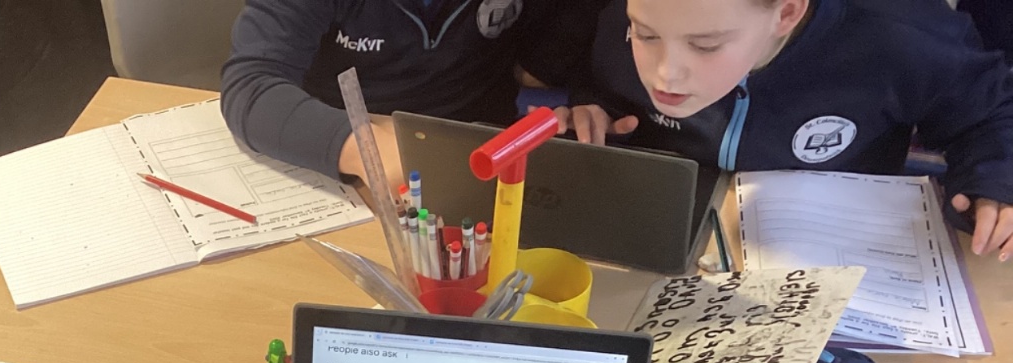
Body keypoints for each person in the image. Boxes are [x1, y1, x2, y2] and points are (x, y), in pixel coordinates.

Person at [554, 0, 1013, 258]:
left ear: (787, 12)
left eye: (705, 45)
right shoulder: (629, 13)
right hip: (665, 245)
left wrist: (996, 182)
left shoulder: (897, 34)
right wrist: (594, 109)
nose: (665, 74)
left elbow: (991, 110)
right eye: (646, 34)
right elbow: (602, 76)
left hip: (836, 258)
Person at [220, 0, 593, 182]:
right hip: (347, 168)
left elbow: (579, 52)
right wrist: (367, 150)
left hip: (483, 166)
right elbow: (251, 85)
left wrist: (592, 99)